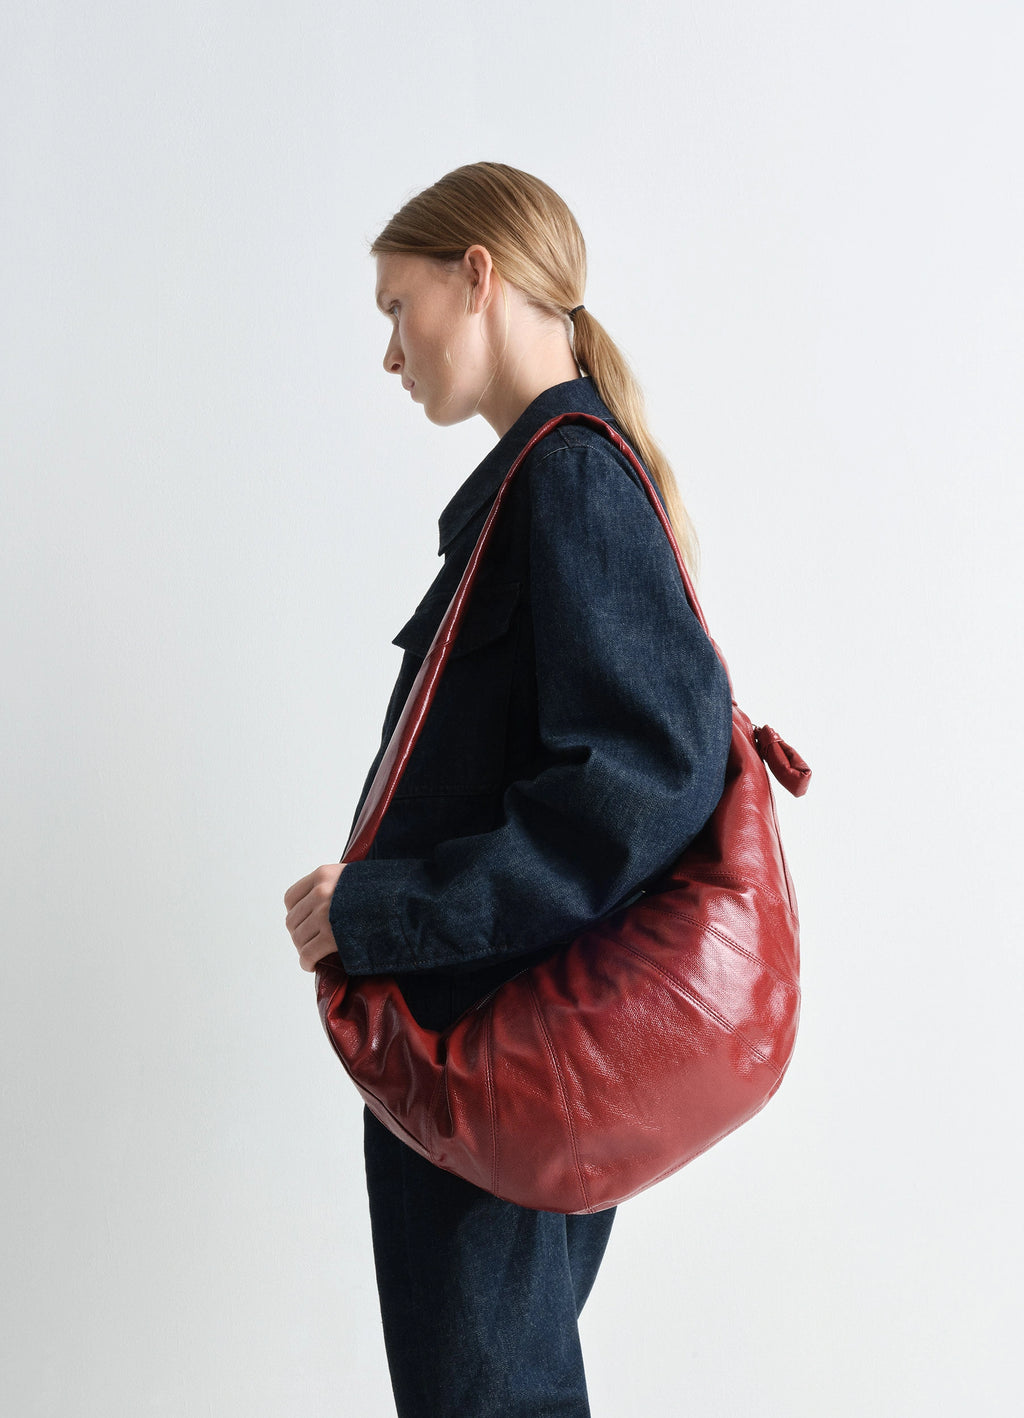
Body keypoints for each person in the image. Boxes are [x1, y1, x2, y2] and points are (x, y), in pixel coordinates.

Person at [284, 162, 733, 1418]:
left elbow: (643, 778)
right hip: (494, 1052)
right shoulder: (548, 481)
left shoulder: (568, 478)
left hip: (499, 1045)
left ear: (476, 273)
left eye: (395, 305)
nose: (390, 352)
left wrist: (385, 909)